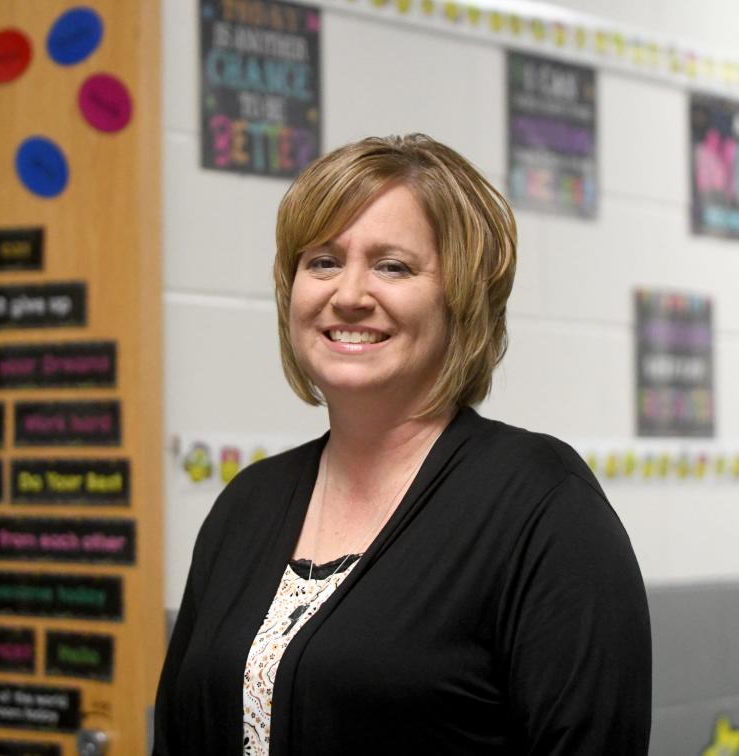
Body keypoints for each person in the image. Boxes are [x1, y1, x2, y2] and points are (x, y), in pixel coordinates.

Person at [154, 134, 651, 755]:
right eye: (323, 261)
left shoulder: (540, 504)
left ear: (460, 299)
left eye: (393, 265)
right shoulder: (246, 504)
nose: (350, 294)